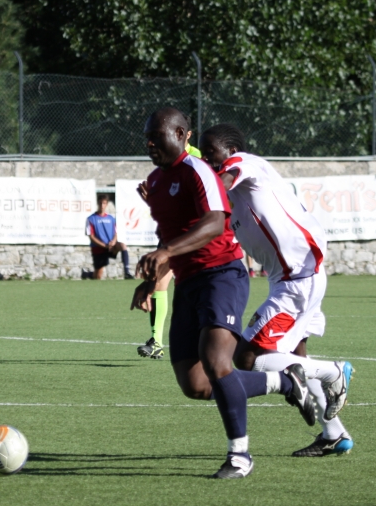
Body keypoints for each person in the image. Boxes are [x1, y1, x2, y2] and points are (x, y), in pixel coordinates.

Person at [131, 108, 317, 479]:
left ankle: (240, 457)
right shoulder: (155, 180)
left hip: (222, 276)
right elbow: (169, 236)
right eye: (147, 137)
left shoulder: (198, 171)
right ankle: (284, 381)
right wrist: (153, 280)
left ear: (182, 134)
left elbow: (215, 222)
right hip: (188, 282)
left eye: (158, 135)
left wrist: (165, 253)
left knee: (217, 362)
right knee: (196, 385)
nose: (150, 142)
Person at [199, 122, 355, 458]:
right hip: (292, 277)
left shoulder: (243, 163)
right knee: (295, 356)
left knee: (247, 356)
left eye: (210, 151)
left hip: (296, 281)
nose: (207, 160)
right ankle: (334, 435)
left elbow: (220, 186)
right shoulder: (236, 195)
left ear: (229, 149)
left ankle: (333, 372)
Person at [134, 128, 202, 359]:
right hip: (173, 236)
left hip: (193, 238)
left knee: (194, 291)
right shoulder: (165, 165)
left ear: (186, 134)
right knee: (159, 284)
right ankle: (157, 342)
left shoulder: (196, 160)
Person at [85, 194, 133, 280]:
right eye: (100, 203)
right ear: (98, 203)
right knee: (98, 276)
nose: (102, 205)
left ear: (107, 204)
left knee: (122, 245)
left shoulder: (111, 218)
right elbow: (91, 236)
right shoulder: (91, 219)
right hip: (99, 248)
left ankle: (127, 272)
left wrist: (114, 242)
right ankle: (89, 275)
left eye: (104, 203)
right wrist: (104, 246)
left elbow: (116, 232)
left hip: (111, 246)